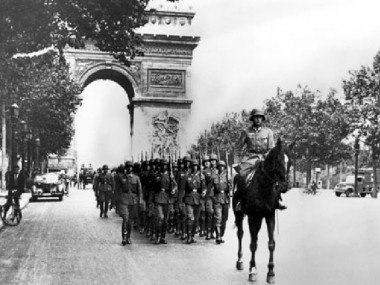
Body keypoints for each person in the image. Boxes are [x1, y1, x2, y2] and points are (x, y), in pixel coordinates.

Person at [234, 108, 286, 210]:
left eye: (260, 117)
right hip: (250, 159)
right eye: (256, 117)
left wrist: (268, 158)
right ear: (252, 119)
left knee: (275, 175)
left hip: (265, 158)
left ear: (262, 119)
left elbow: (271, 148)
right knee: (242, 177)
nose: (258, 120)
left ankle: (276, 200)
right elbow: (237, 148)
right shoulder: (246, 132)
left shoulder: (268, 132)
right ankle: (240, 201)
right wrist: (236, 162)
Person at [115, 161, 142, 245]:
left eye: (131, 167)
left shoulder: (136, 178)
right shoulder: (121, 178)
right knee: (125, 219)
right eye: (128, 167)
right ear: (125, 168)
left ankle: (128, 237)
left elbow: (139, 190)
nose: (129, 168)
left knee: (130, 220)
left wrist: (140, 200)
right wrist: (117, 202)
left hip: (133, 201)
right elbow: (117, 190)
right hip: (124, 201)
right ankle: (124, 237)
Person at [184, 159, 205, 244]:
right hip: (189, 198)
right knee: (190, 217)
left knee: (196, 220)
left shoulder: (201, 176)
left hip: (198, 199)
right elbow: (183, 188)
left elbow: (204, 187)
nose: (195, 167)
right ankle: (188, 236)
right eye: (193, 166)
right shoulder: (187, 176)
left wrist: (204, 191)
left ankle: (192, 236)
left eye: (196, 166)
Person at [211, 161, 230, 244]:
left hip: (225, 199)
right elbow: (210, 189)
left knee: (224, 219)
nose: (221, 168)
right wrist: (213, 198)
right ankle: (218, 236)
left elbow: (231, 189)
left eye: (223, 166)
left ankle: (221, 235)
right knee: (218, 218)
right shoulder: (214, 177)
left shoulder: (227, 177)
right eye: (220, 166)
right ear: (218, 168)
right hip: (217, 199)